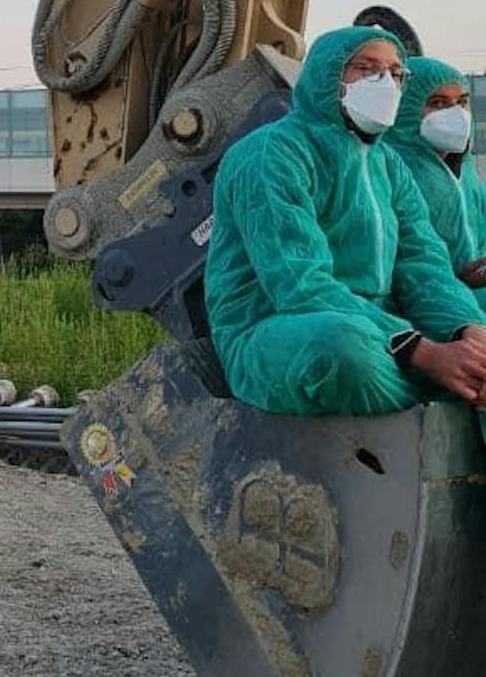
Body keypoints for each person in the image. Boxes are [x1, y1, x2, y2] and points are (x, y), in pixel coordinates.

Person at [205, 25, 486, 417]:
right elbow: (300, 284)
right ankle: (431, 407)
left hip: (382, 328)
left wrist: (468, 331)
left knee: (478, 349)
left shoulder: (388, 164)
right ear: (327, 77)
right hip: (277, 329)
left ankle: (449, 396)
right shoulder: (272, 154)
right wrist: (424, 352)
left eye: (394, 73)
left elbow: (425, 269)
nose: (384, 83)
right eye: (367, 69)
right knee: (343, 349)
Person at [387, 59, 486, 294]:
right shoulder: (393, 170)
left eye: (462, 102)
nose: (456, 114)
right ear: (405, 108)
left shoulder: (465, 170)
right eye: (438, 103)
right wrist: (457, 280)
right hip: (424, 307)